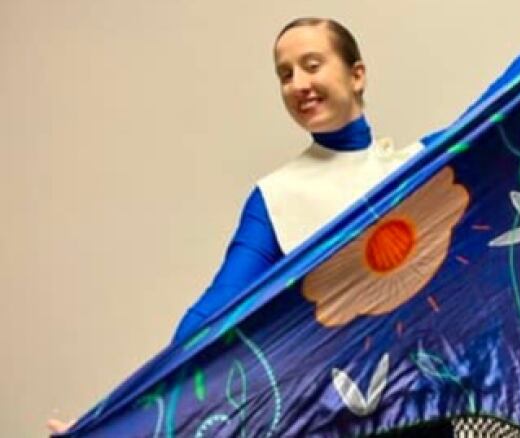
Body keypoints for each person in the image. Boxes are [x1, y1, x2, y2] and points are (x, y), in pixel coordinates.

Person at [48, 16, 453, 436]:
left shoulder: (422, 167)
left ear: (357, 75)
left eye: (311, 65)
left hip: (422, 409)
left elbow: (511, 102)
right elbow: (210, 315)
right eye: (285, 74)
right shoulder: (277, 197)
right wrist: (114, 418)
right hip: (334, 418)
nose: (297, 84)